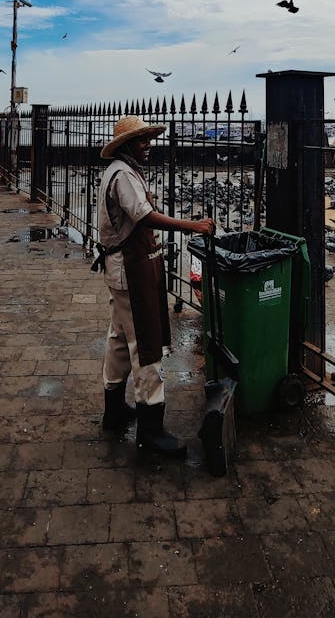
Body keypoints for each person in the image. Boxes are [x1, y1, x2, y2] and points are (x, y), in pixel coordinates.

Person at [97, 115, 216, 458]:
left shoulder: (121, 172)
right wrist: (190, 225)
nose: (149, 144)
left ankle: (114, 410)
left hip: (120, 270)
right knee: (144, 344)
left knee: (119, 338)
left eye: (149, 138)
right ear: (125, 146)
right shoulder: (122, 175)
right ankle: (150, 428)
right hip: (129, 271)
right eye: (142, 140)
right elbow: (144, 216)